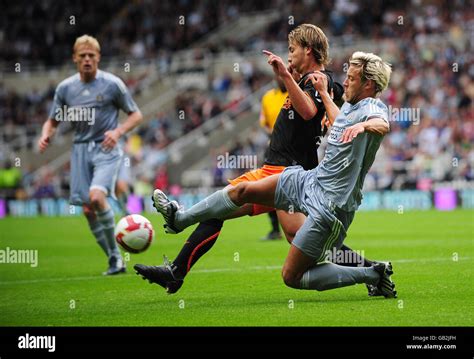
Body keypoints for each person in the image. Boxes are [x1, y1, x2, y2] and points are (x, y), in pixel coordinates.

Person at [135, 25, 378, 295]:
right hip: (288, 169)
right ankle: (371, 270)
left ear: (308, 50)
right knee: (296, 235)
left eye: (292, 49)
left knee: (230, 206)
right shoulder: (313, 82)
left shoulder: (317, 81)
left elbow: (309, 112)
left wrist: (286, 76)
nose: (289, 55)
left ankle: (178, 227)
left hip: (285, 170)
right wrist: (290, 78)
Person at [38, 35, 143, 275]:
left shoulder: (112, 84)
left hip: (106, 148)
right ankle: (114, 260)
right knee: (87, 210)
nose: (87, 60)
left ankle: (119, 247)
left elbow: (136, 115)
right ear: (75, 58)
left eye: (91, 56)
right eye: (82, 56)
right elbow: (52, 120)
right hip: (80, 151)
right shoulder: (65, 89)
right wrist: (47, 134)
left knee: (97, 197)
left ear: (98, 58)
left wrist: (118, 131)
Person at [259, 76, 288, 240]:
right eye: (276, 76)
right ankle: (275, 229)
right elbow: (263, 122)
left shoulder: (295, 94)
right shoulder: (267, 97)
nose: (279, 79)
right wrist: (274, 134)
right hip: (273, 147)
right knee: (268, 188)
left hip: (294, 148)